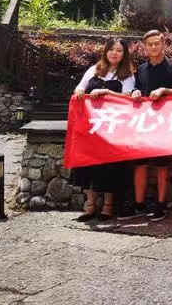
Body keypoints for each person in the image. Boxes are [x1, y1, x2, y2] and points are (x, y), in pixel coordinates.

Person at [118, 30, 172, 222]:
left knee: (162, 165)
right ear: (145, 47)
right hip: (143, 122)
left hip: (164, 123)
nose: (154, 47)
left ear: (163, 44)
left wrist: (164, 90)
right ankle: (139, 204)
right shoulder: (141, 69)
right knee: (140, 164)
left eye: (157, 43)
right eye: (150, 44)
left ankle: (161, 204)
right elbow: (136, 88)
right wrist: (136, 92)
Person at [71, 38, 136, 222]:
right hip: (91, 127)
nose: (115, 53)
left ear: (124, 54)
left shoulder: (128, 74)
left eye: (119, 50)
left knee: (110, 166)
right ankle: (90, 204)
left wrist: (107, 93)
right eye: (111, 49)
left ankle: (108, 205)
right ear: (106, 51)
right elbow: (80, 86)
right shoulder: (94, 69)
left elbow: (128, 97)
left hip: (113, 128)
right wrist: (79, 91)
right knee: (88, 165)